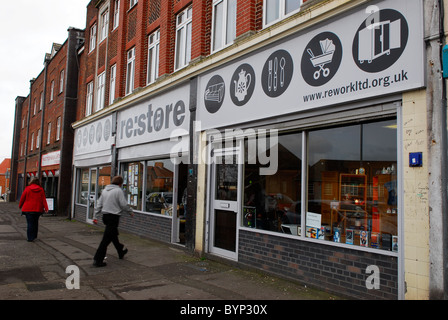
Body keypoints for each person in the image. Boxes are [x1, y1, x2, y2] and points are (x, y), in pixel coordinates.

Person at [93, 176, 134, 267]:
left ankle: (120, 251)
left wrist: (95, 216)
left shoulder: (105, 190)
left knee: (113, 235)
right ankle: (98, 260)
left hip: (105, 216)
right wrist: (130, 211)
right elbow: (123, 204)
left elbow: (99, 204)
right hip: (113, 217)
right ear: (120, 183)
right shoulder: (118, 191)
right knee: (105, 240)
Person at [19, 177, 49, 242]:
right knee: (35, 222)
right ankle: (34, 236)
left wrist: (20, 205)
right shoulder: (41, 189)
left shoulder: (27, 189)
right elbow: (43, 200)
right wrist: (46, 208)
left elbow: (22, 198)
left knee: (30, 223)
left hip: (28, 209)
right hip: (37, 209)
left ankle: (30, 237)